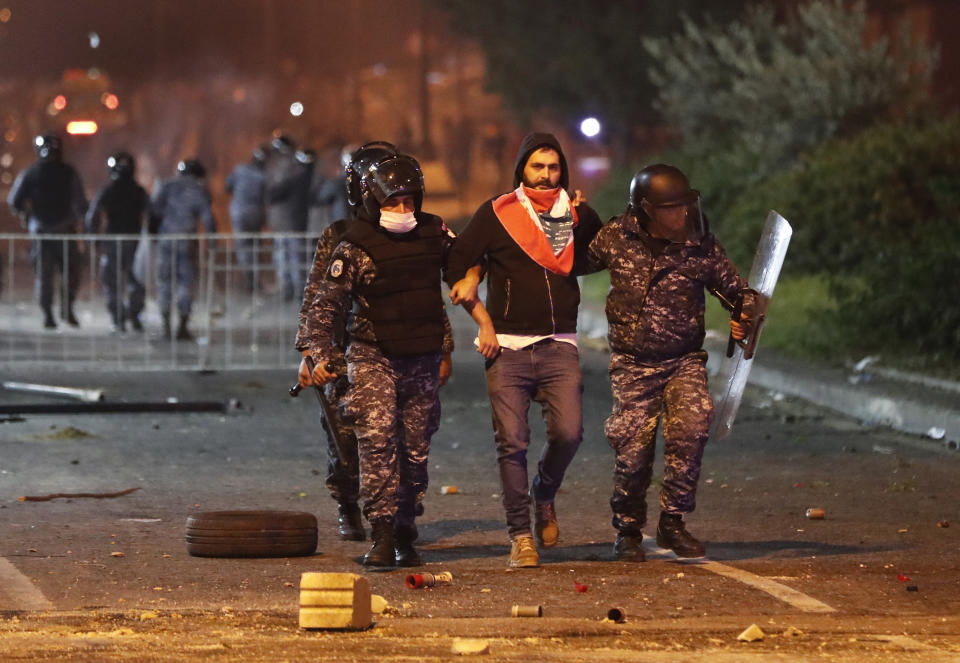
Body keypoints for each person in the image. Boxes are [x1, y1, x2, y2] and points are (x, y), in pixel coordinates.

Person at [299, 151, 493, 568]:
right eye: (392, 203)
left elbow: (465, 260)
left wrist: (472, 280)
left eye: (409, 201)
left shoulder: (434, 232)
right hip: (372, 357)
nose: (403, 211)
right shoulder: (352, 246)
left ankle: (406, 529)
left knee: (415, 451)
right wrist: (325, 357)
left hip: (419, 358)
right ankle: (383, 533)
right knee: (377, 443)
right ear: (371, 201)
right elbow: (323, 309)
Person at [445, 132, 604, 568]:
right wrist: (479, 305)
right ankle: (520, 536)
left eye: (553, 167)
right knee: (512, 443)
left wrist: (583, 217)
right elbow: (457, 260)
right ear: (522, 169)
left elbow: (598, 257)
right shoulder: (498, 213)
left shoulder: (574, 214)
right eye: (538, 167)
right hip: (508, 349)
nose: (546, 175)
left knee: (570, 434)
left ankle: (545, 492)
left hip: (559, 344)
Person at [586, 164, 753, 561]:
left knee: (692, 429)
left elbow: (736, 291)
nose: (682, 215)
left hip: (683, 361)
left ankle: (673, 522)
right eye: (671, 208)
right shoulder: (616, 237)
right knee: (633, 450)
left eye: (685, 206)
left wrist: (743, 314)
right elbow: (570, 263)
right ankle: (627, 529)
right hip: (633, 365)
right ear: (646, 209)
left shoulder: (700, 246)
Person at [294, 141, 402, 543]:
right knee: (343, 439)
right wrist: (309, 351)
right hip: (339, 356)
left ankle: (392, 518)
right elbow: (316, 298)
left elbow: (426, 295)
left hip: (393, 351)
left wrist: (441, 345)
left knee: (393, 439)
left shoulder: (408, 233)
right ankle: (347, 503)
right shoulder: (338, 235)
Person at [7, 131, 87, 329]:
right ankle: (52, 313)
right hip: (50, 231)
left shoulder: (56, 172)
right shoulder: (36, 173)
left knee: (58, 274)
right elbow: (15, 201)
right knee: (51, 275)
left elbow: (14, 201)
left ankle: (59, 310)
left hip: (55, 230)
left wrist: (26, 216)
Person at [149, 158, 217, 340]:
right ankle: (182, 327)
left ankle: (165, 328)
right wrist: (212, 241)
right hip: (187, 242)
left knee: (164, 283)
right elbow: (208, 217)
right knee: (185, 284)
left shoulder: (166, 185)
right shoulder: (199, 190)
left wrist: (153, 236)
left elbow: (153, 212)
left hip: (165, 241)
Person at [85, 151, 150, 332]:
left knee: (113, 283)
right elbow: (152, 214)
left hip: (113, 243)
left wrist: (93, 238)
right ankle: (133, 316)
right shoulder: (138, 191)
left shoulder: (108, 191)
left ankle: (119, 320)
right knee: (135, 279)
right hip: (133, 243)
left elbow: (93, 216)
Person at [265, 135, 306, 301]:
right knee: (292, 255)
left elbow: (275, 191)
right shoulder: (296, 165)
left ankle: (292, 289)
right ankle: (294, 289)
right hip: (289, 219)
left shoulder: (283, 167)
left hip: (285, 219)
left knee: (287, 255)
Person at [225, 145, 268, 293]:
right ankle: (254, 280)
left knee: (243, 246)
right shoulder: (263, 176)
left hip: (239, 213)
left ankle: (249, 279)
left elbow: (227, 186)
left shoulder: (240, 170)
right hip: (255, 214)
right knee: (255, 246)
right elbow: (266, 197)